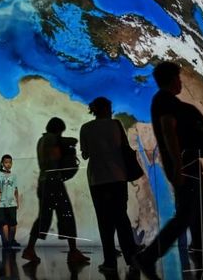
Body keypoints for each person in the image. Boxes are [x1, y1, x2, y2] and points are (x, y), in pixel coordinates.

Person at [133, 62, 203, 280]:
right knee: (186, 216)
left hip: (188, 167)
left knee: (201, 217)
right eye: (178, 79)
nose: (180, 83)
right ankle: (149, 256)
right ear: (171, 79)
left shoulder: (166, 101)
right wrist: (178, 166)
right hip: (184, 167)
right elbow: (169, 132)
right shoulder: (164, 101)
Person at [79, 97, 138, 273]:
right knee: (122, 219)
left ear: (94, 110)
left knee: (104, 222)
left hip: (98, 179)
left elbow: (85, 154)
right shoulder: (116, 125)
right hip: (118, 177)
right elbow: (125, 147)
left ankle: (110, 262)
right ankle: (132, 259)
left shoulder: (86, 128)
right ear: (108, 109)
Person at [22, 117, 89, 265]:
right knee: (66, 214)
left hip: (44, 181)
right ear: (58, 129)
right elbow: (57, 155)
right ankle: (73, 252)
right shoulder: (53, 139)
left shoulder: (42, 140)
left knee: (44, 217)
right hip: (54, 181)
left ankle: (30, 249)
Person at [0, 154, 20, 248]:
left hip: (12, 202)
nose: (8, 164)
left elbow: (16, 189)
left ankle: (12, 240)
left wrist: (17, 201)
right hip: (2, 203)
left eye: (9, 162)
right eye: (6, 162)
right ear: (2, 163)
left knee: (13, 223)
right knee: (4, 222)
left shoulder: (14, 175)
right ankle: (6, 242)